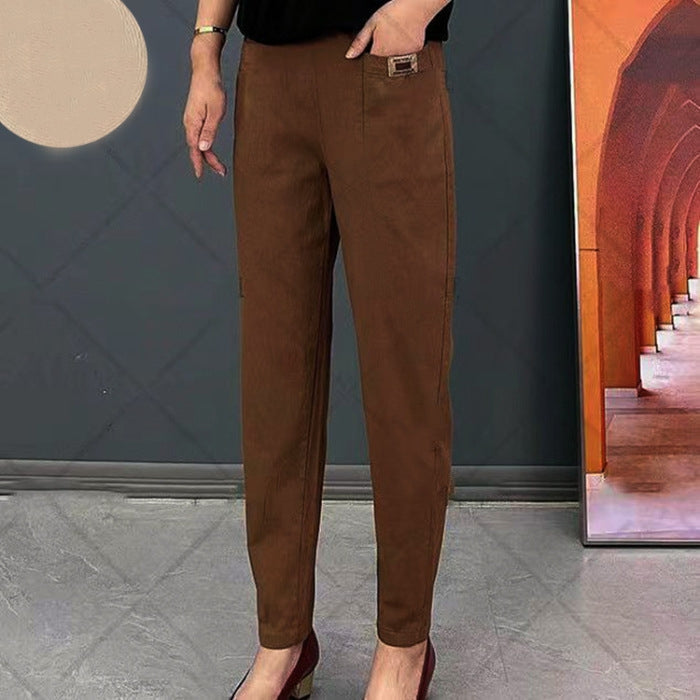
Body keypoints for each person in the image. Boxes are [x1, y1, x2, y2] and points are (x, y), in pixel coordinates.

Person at [183, 1, 456, 698]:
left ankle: (404, 645)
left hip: (385, 66)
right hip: (270, 77)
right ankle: (282, 642)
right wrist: (206, 52)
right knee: (274, 376)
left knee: (404, 373)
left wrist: (417, 9)